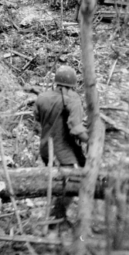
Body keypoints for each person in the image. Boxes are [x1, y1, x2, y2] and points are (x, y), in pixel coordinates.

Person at [34, 65, 88, 232]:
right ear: (73, 84)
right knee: (73, 182)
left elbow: (37, 120)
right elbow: (76, 128)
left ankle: (56, 216)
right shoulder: (73, 99)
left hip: (45, 149)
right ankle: (57, 219)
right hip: (62, 151)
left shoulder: (42, 97)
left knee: (60, 183)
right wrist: (91, 139)